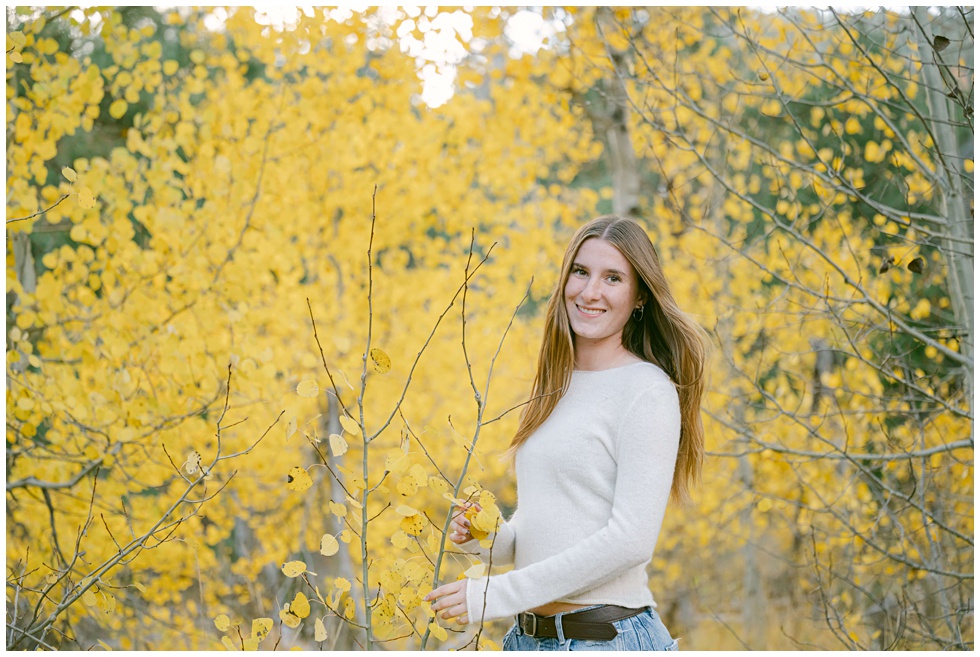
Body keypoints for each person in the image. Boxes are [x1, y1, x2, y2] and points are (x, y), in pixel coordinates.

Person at [425, 215, 708, 650]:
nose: (590, 291)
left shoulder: (647, 390)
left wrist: (493, 594)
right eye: (581, 271)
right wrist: (490, 539)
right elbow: (544, 523)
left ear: (639, 298)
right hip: (529, 639)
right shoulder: (556, 386)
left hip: (604, 638)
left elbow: (630, 541)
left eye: (613, 277)